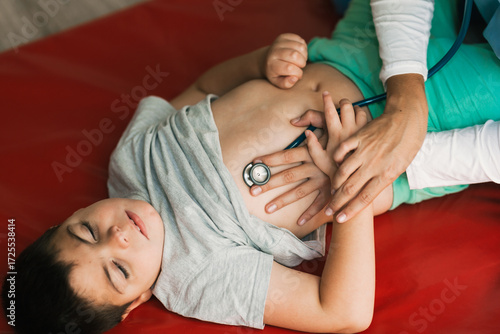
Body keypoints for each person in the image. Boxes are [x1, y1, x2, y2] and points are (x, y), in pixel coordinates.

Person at [2, 0, 499, 333]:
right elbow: (343, 312)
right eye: (117, 270)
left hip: (341, 54)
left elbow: (200, 90)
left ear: (69, 217)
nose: (120, 237)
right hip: (413, 135)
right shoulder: (194, 279)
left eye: (88, 231)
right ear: (134, 304)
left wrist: (260, 63)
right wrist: (352, 187)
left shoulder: (129, 159)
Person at [250, 0, 500, 225]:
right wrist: (406, 103)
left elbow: (209, 84)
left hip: (418, 150)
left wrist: (386, 158)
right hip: (356, 56)